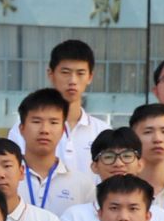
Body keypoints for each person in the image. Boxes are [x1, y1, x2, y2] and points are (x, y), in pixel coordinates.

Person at [10, 40, 108, 174]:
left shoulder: (102, 131)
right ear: (51, 74)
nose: (73, 81)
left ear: (90, 77)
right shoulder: (23, 130)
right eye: (65, 72)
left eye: (80, 73)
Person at [11, 88, 93, 215]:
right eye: (36, 122)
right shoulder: (5, 179)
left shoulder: (82, 185)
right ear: (21, 129)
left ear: (62, 130)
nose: (45, 130)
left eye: (53, 122)